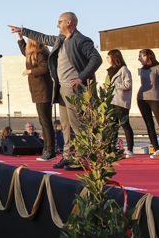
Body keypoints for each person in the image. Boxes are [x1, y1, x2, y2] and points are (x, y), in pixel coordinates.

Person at [8, 12, 102, 170]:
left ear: (69, 22)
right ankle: (68, 156)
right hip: (61, 87)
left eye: (60, 22)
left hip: (74, 88)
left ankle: (82, 159)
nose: (57, 25)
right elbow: (44, 38)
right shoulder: (60, 39)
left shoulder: (81, 40)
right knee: (65, 125)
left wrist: (81, 77)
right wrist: (23, 31)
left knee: (76, 124)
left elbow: (96, 58)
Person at [17, 33, 55, 160]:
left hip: (43, 91)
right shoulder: (32, 54)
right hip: (38, 92)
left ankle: (49, 150)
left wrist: (30, 71)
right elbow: (24, 51)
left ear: (32, 43)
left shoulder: (40, 54)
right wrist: (20, 38)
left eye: (28, 41)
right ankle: (47, 148)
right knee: (43, 121)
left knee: (45, 122)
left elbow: (45, 68)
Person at [106, 49, 135, 157]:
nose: (107, 59)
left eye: (108, 57)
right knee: (112, 126)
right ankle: (111, 149)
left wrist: (115, 85)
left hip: (121, 102)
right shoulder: (110, 70)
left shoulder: (124, 69)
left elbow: (128, 85)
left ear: (114, 58)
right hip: (111, 101)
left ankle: (130, 149)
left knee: (125, 125)